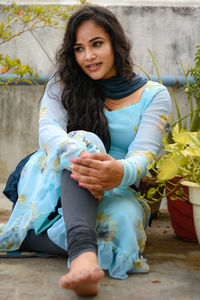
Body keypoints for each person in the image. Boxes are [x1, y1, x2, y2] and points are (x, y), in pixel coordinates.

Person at [0, 5, 172, 296]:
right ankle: (82, 256)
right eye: (79, 48)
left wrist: (117, 172)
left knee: (124, 226)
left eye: (97, 44)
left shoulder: (154, 95)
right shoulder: (63, 82)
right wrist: (84, 158)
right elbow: (49, 131)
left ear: (116, 44)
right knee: (85, 139)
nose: (88, 57)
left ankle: (31, 237)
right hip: (52, 174)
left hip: (117, 185)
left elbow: (145, 154)